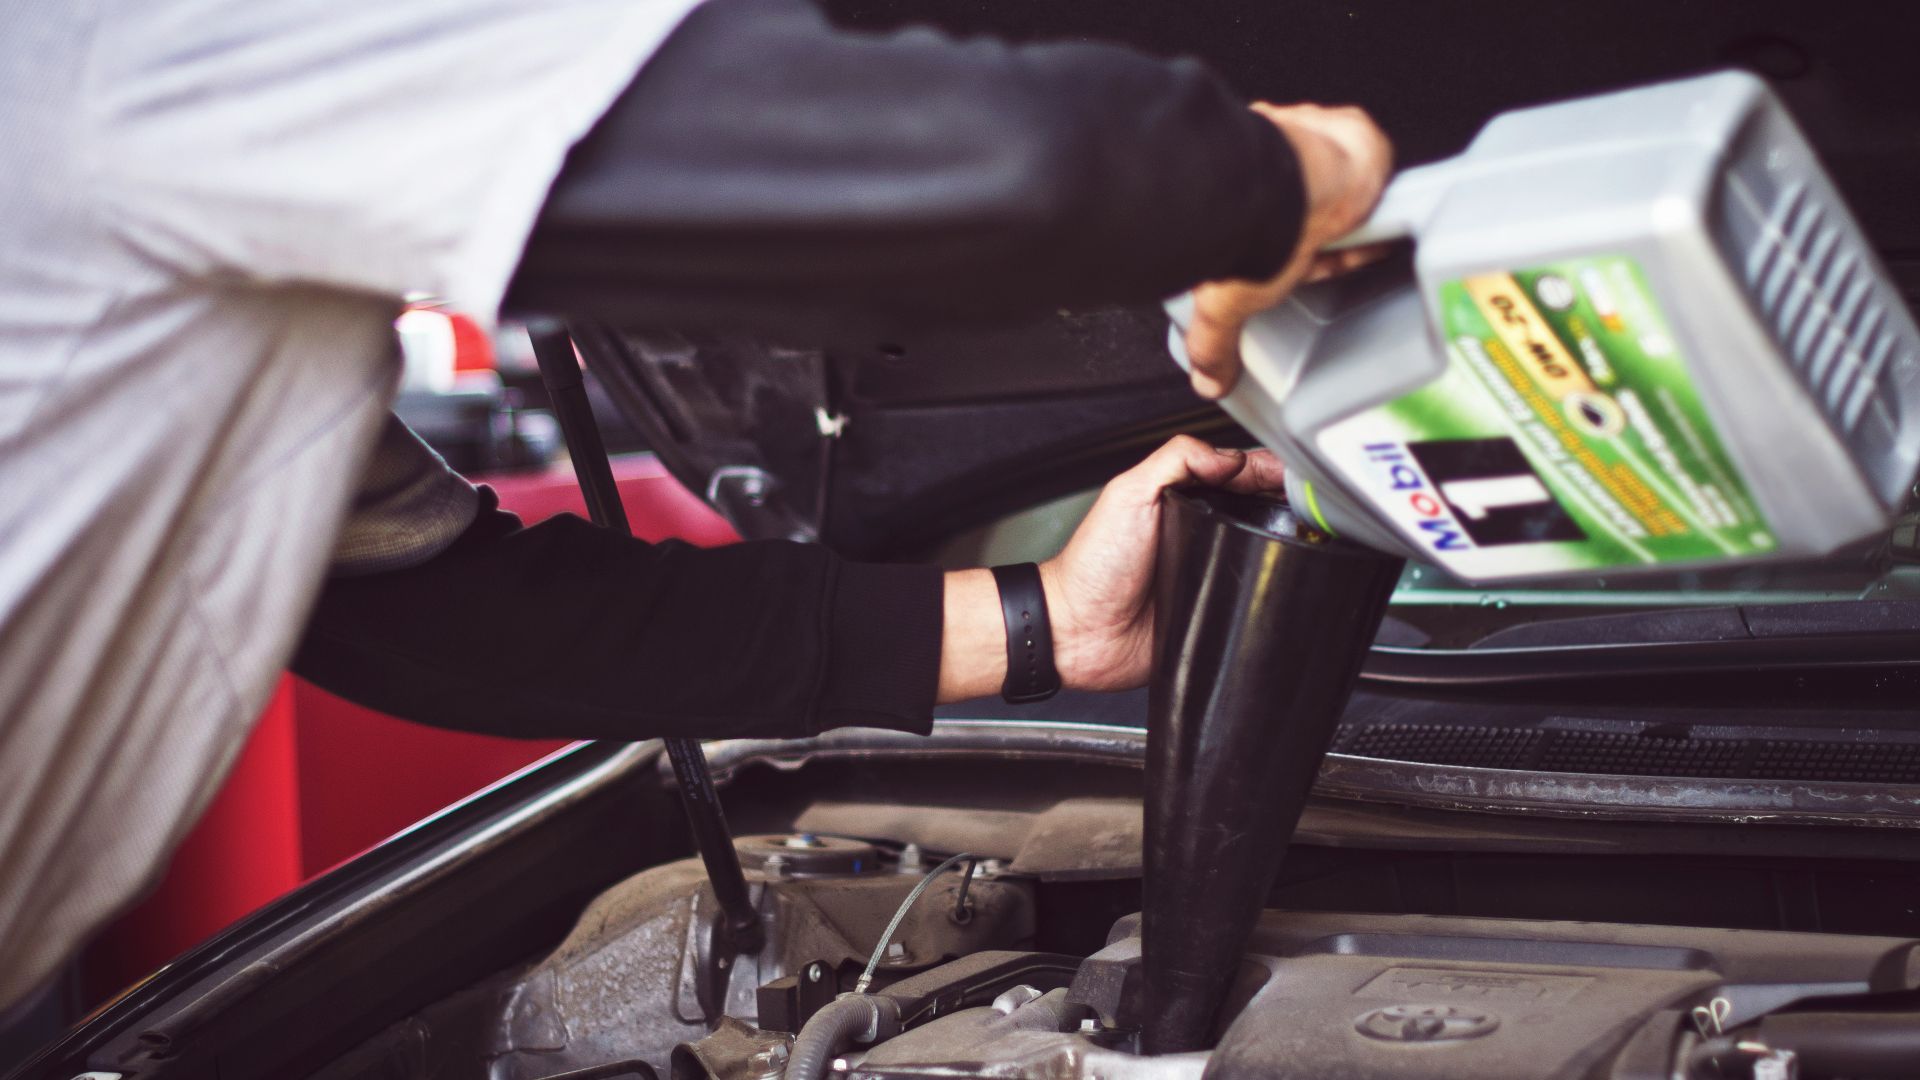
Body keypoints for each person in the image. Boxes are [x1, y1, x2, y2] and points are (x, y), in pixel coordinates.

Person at [0, 0, 1390, 1015]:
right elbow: (988, 165)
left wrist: (1042, 627)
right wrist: (1287, 178)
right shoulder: (135, 43)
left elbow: (436, 616)